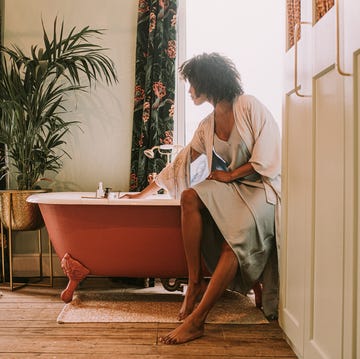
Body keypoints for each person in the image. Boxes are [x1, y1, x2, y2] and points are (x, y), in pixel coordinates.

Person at [122, 53, 281, 344]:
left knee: (235, 240)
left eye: (193, 84)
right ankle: (194, 281)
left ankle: (198, 320)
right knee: (191, 196)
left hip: (262, 189)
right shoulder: (208, 124)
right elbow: (181, 163)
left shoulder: (248, 105)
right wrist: (142, 194)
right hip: (233, 188)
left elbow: (269, 154)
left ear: (209, 81)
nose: (190, 90)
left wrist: (231, 176)